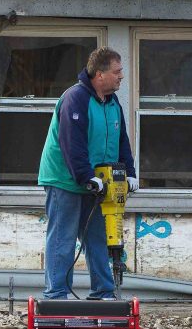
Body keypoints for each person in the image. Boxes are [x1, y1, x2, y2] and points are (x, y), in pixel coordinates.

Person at [38, 47, 138, 300]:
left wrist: (130, 173)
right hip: (65, 179)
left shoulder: (112, 102)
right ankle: (56, 294)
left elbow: (121, 140)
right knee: (63, 237)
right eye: (117, 72)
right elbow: (72, 144)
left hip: (96, 182)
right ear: (100, 74)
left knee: (97, 237)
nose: (121, 77)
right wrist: (85, 176)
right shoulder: (76, 98)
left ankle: (103, 292)